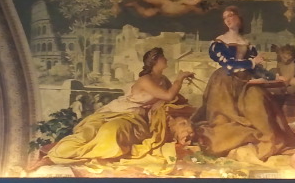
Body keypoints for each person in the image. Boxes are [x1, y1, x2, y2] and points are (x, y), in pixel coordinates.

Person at [27, 48, 194, 171]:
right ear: (155, 61)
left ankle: (90, 155)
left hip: (134, 118)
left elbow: (171, 97)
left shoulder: (163, 80)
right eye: (163, 58)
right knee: (88, 132)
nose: (166, 60)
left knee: (112, 131)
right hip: (117, 110)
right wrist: (179, 79)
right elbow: (167, 95)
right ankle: (53, 157)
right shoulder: (145, 79)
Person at [192, 6, 295, 162]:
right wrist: (252, 62)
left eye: (231, 16)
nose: (228, 20)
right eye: (225, 18)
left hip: (245, 83)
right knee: (223, 121)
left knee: (258, 102)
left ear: (239, 18)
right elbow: (229, 65)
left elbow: (256, 69)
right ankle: (230, 143)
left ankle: (268, 141)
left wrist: (274, 77)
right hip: (224, 83)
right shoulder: (218, 43)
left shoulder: (247, 43)